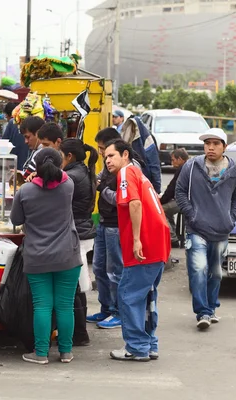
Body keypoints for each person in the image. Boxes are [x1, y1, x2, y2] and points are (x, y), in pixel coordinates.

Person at [10, 148, 82, 365]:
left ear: (36, 168)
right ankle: (66, 352)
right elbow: (64, 176)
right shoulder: (68, 186)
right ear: (60, 165)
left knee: (42, 305)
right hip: (68, 255)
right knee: (65, 305)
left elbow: (15, 219)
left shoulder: (25, 192)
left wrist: (30, 181)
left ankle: (40, 353)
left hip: (37, 256)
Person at [103, 139, 170, 362]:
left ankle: (136, 346)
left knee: (128, 295)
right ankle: (149, 344)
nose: (107, 160)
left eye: (111, 156)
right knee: (147, 295)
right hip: (158, 242)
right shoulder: (139, 174)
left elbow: (134, 203)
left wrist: (136, 239)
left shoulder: (126, 174)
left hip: (146, 243)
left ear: (124, 154)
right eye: (105, 157)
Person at [175, 128, 236, 330]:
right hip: (196, 228)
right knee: (198, 269)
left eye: (215, 144)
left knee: (215, 272)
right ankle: (203, 312)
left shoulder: (234, 170)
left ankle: (211, 308)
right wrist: (192, 214)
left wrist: (231, 218)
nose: (211, 147)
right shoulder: (191, 166)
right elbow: (180, 191)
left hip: (221, 230)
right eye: (207, 144)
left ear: (224, 146)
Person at [86, 128, 128, 330]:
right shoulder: (108, 165)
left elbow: (121, 199)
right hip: (103, 223)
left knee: (115, 271)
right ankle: (106, 308)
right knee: (99, 269)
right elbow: (98, 179)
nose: (103, 155)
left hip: (116, 226)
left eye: (105, 151)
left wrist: (103, 189)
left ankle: (119, 313)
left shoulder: (129, 169)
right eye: (103, 151)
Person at [60, 138, 99, 346]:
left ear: (69, 156)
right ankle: (79, 331)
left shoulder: (72, 176)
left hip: (76, 233)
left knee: (73, 286)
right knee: (76, 286)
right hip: (82, 231)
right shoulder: (83, 171)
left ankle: (79, 333)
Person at [159, 148, 189, 247]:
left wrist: (161, 201)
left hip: (185, 202)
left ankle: (172, 238)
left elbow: (171, 189)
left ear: (180, 159)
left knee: (161, 210)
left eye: (173, 160)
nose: (172, 162)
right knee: (168, 212)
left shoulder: (183, 169)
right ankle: (173, 234)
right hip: (187, 200)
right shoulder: (188, 167)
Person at [2, 102, 28, 171]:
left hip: (13, 165)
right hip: (26, 166)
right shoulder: (35, 123)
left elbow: (4, 144)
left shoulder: (12, 122)